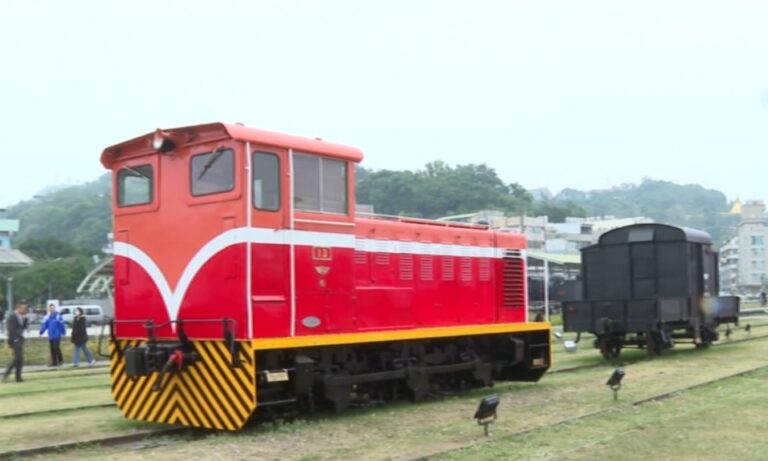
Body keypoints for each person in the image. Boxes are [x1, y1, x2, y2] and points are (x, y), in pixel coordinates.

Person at [3, 300, 29, 382]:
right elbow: (11, 329)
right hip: (14, 340)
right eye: (23, 308)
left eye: (26, 308)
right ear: (18, 308)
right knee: (18, 357)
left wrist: (25, 319)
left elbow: (23, 328)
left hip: (20, 339)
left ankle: (18, 377)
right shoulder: (12, 316)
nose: (25, 310)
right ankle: (7, 374)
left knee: (20, 359)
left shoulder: (23, 317)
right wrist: (15, 339)